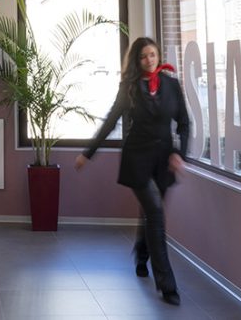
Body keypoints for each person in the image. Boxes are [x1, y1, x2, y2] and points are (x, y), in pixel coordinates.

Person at [74, 37, 190, 306]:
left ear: (158, 55)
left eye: (152, 54)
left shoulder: (172, 85)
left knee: (150, 213)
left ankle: (141, 252)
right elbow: (110, 121)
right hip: (137, 160)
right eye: (143, 56)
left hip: (163, 161)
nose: (149, 60)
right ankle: (167, 285)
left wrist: (179, 154)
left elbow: (184, 123)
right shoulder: (129, 88)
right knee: (156, 213)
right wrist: (87, 153)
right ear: (137, 61)